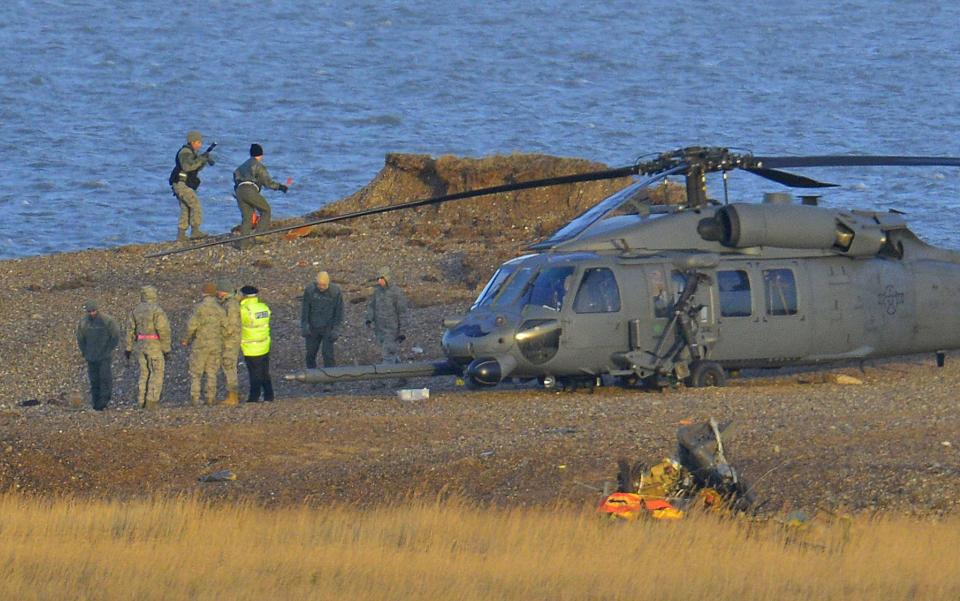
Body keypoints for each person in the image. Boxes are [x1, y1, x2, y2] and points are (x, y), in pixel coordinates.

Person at [233, 143, 288, 249]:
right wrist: (281, 187)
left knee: (247, 218)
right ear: (260, 154)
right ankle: (258, 235)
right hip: (250, 189)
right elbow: (268, 183)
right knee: (266, 210)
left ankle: (243, 245)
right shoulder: (258, 165)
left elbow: (235, 177)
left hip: (239, 190)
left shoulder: (241, 166)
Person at [125, 285, 171, 409]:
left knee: (144, 373)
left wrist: (128, 348)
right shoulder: (157, 311)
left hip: (140, 346)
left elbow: (130, 330)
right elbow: (163, 330)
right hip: (154, 346)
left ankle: (141, 400)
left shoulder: (135, 311)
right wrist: (166, 349)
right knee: (156, 373)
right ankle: (151, 401)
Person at [181, 282, 226, 406]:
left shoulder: (199, 308)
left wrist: (186, 339)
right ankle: (210, 398)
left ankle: (195, 399)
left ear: (203, 293)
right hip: (216, 344)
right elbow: (226, 327)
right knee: (212, 373)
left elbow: (191, 326)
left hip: (200, 344)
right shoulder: (220, 309)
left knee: (196, 373)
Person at [169, 130, 215, 242]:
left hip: (181, 184)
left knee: (185, 208)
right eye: (199, 142)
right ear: (193, 142)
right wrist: (201, 159)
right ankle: (195, 231)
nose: (200, 145)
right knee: (195, 204)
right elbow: (187, 167)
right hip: (181, 184)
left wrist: (204, 160)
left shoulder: (191, 153)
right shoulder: (185, 152)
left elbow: (195, 168)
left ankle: (181, 235)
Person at [76, 300, 120, 411]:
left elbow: (115, 336)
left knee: (105, 378)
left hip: (104, 355)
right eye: (89, 311)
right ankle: (96, 402)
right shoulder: (84, 322)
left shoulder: (107, 321)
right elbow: (80, 339)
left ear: (97, 310)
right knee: (94, 379)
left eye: (93, 311)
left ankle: (104, 401)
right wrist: (85, 352)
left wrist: (108, 349)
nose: (92, 313)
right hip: (90, 356)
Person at [364, 266, 408, 364]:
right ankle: (403, 374)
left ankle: (384, 377)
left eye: (381, 278)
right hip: (380, 329)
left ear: (387, 278)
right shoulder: (377, 292)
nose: (379, 281)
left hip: (392, 331)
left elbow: (403, 313)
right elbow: (372, 306)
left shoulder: (396, 293)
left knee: (388, 355)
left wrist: (403, 332)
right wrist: (369, 319)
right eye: (378, 278)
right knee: (392, 354)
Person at [301, 270, 344, 369]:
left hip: (328, 328)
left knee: (328, 354)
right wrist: (304, 326)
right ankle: (312, 377)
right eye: (319, 285)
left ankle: (330, 378)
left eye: (324, 285)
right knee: (310, 354)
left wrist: (336, 329)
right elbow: (305, 310)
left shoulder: (335, 292)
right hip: (313, 327)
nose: (321, 287)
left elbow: (339, 312)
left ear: (328, 283)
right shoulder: (310, 290)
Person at [239, 285, 273, 402]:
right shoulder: (263, 307)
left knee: (254, 373)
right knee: (264, 372)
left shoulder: (244, 310)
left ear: (244, 296)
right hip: (264, 344)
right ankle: (269, 395)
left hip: (251, 346)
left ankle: (254, 397)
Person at [216, 278, 242, 406]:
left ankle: (233, 396)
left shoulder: (230, 305)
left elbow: (230, 326)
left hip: (229, 342)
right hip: (232, 340)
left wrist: (221, 335)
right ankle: (234, 394)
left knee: (229, 367)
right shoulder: (231, 303)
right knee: (230, 367)